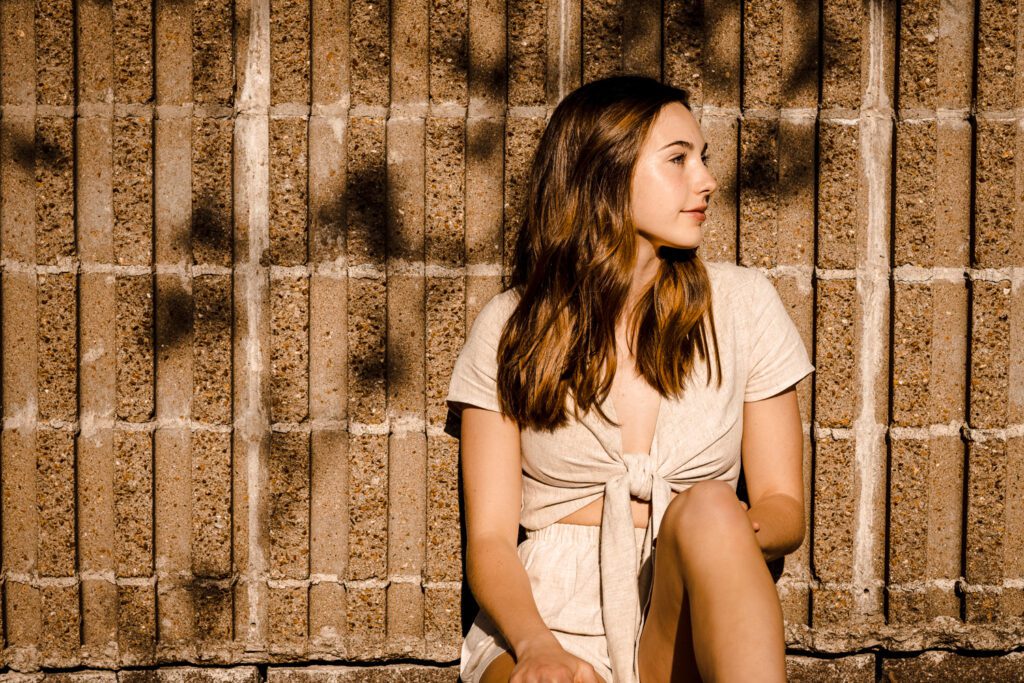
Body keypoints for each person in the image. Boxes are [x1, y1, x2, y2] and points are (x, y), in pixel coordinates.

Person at [445, 75, 814, 683]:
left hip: (686, 607)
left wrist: (717, 538)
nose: (706, 181)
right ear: (606, 174)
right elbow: (488, 541)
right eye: (678, 160)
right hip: (545, 611)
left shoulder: (746, 305)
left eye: (703, 158)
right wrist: (537, 645)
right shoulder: (511, 325)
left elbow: (784, 506)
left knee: (713, 506)